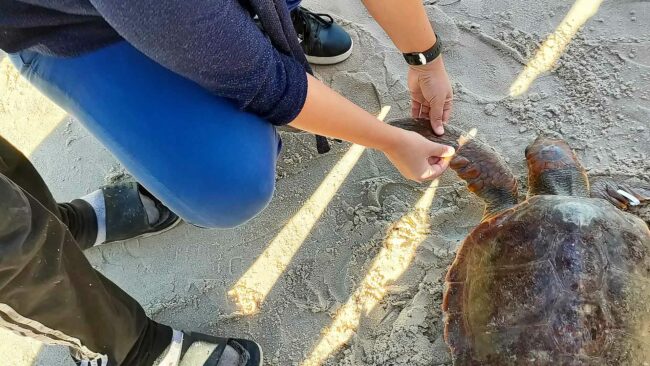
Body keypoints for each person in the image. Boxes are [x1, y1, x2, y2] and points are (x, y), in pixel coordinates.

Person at [0, 0, 456, 365]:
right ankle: (125, 343)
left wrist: (426, 60)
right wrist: (391, 142)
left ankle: (259, 22)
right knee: (231, 179)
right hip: (73, 31)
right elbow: (271, 85)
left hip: (183, 16)